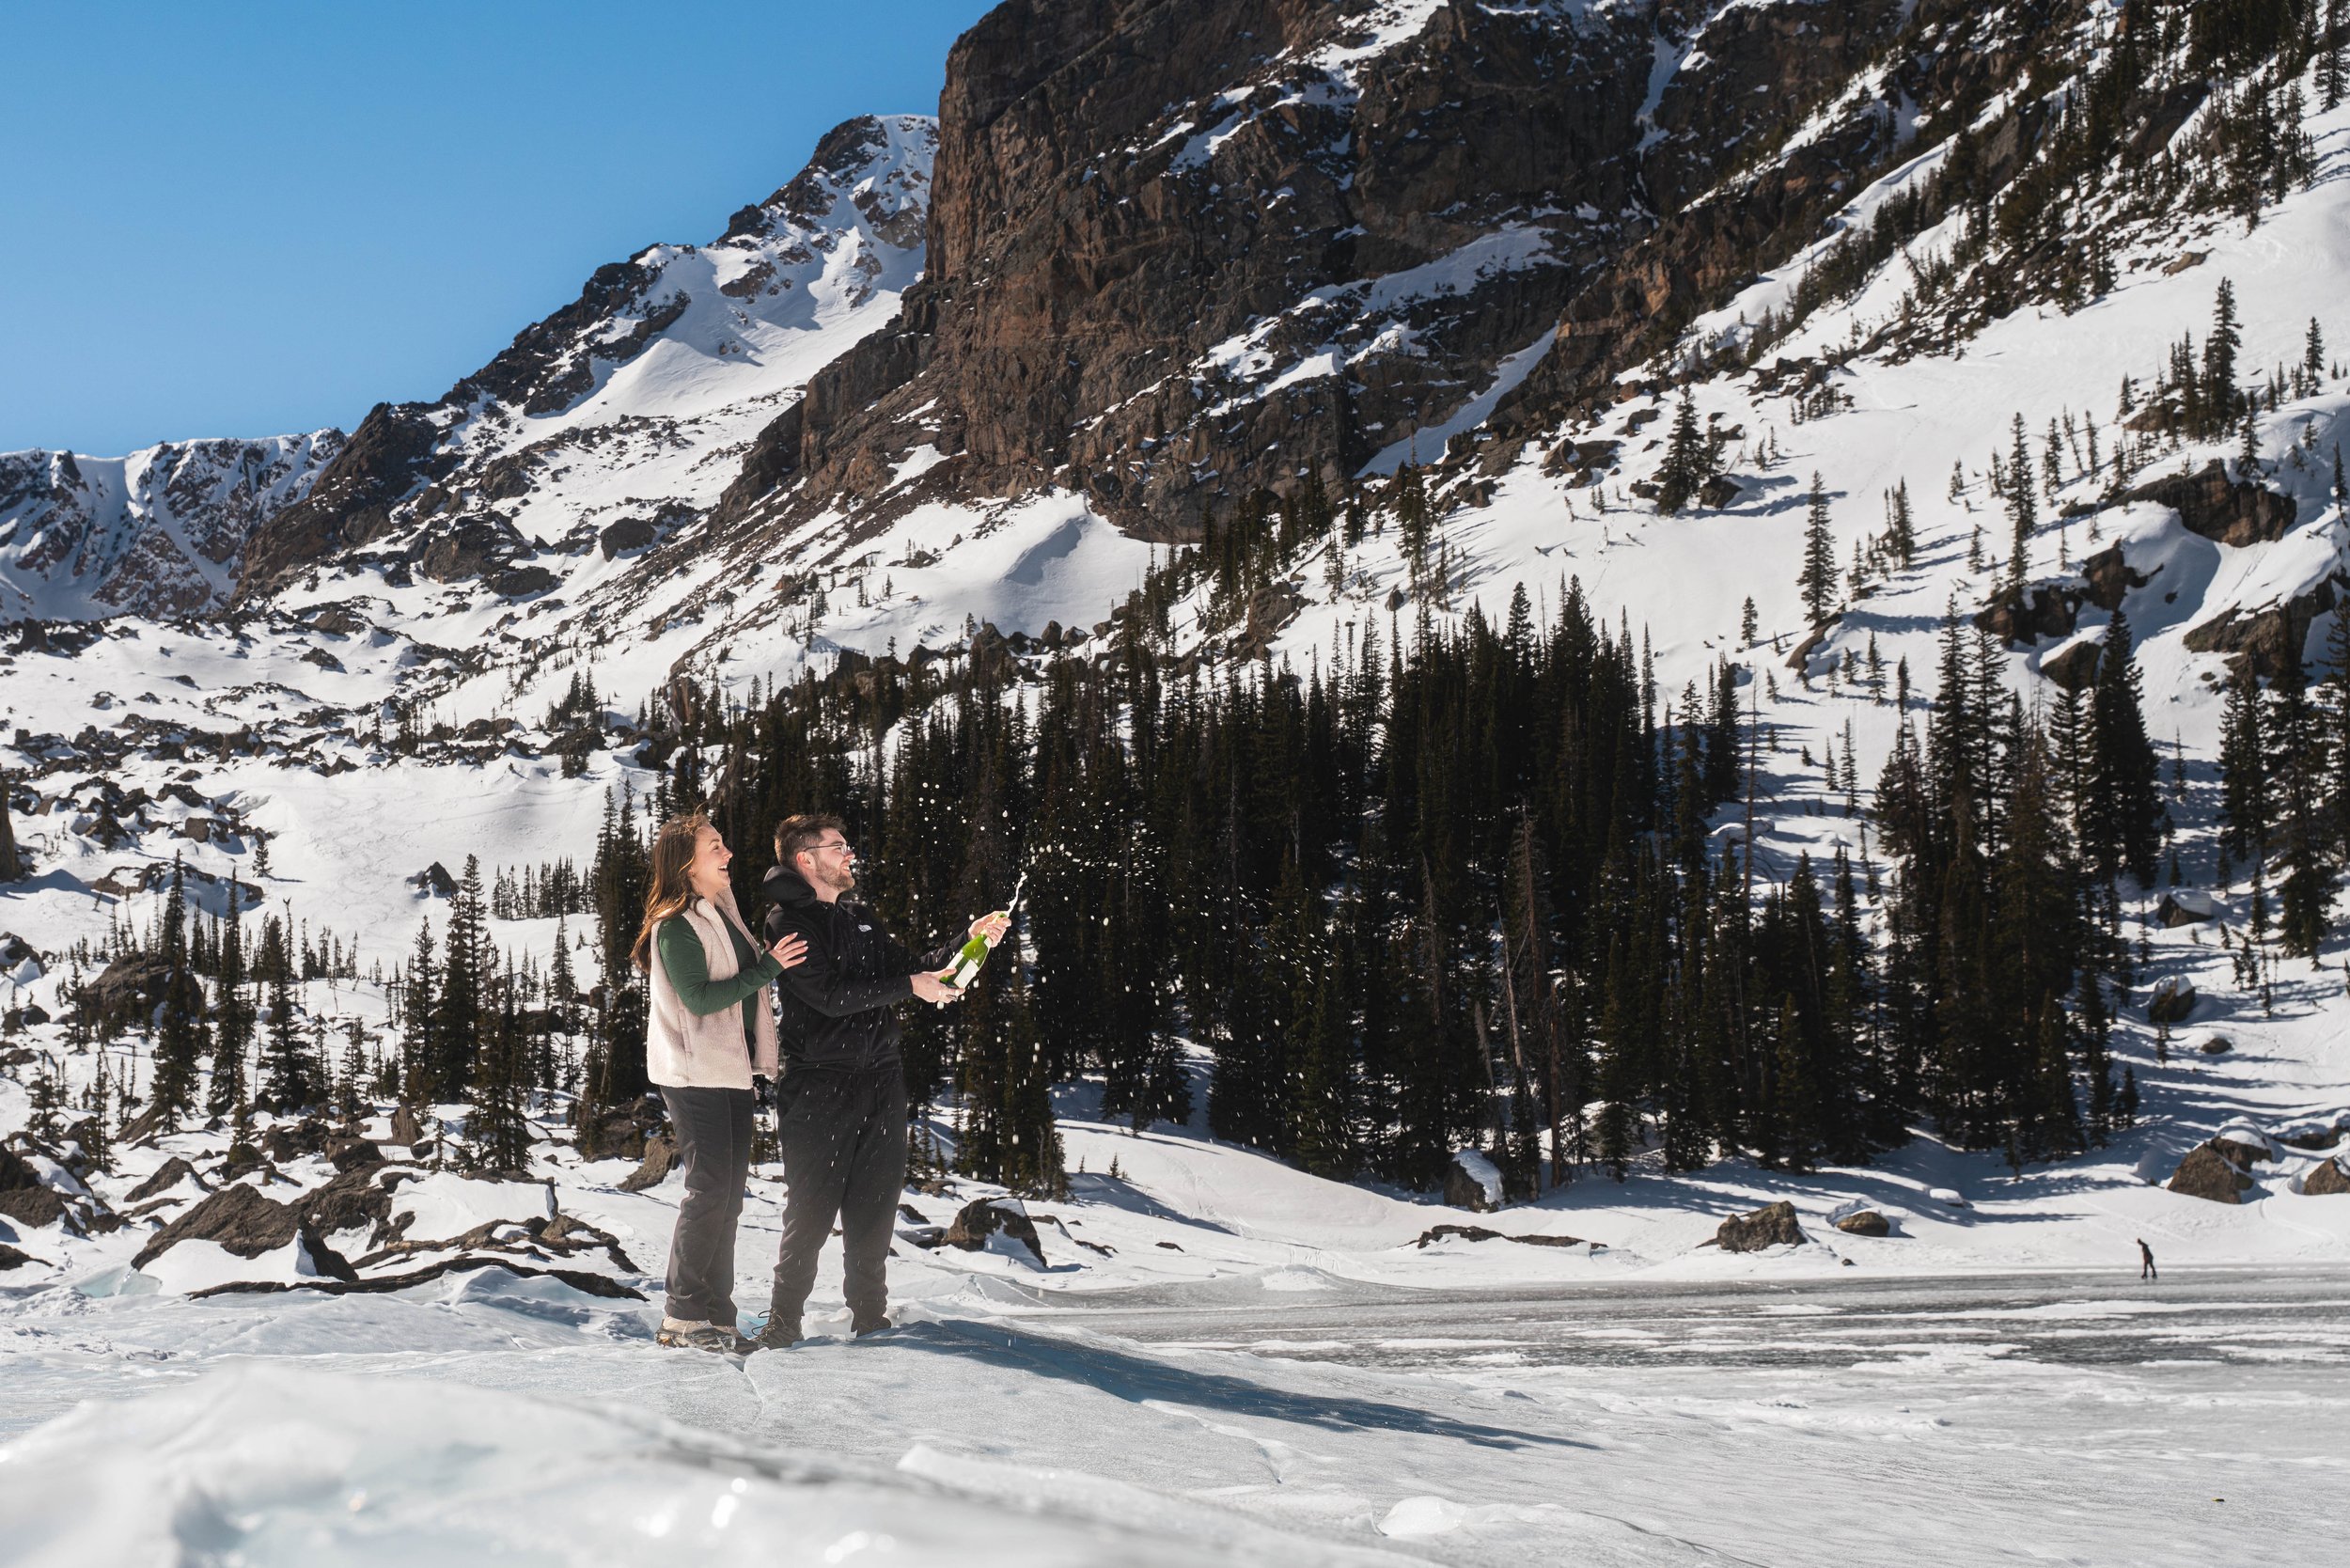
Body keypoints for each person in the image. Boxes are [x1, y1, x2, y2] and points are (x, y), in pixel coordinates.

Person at [758, 812, 1008, 1346]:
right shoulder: (786, 924)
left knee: (874, 1208)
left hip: (883, 1081)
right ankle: (781, 1325)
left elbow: (919, 968)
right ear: (807, 860)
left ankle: (872, 1321)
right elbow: (825, 996)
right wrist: (910, 984)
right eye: (838, 846)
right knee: (812, 1211)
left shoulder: (860, 917)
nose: (850, 854)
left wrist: (972, 938)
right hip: (819, 1086)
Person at [634, 812, 807, 1354]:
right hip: (693, 1073)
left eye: (723, 844)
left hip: (728, 1070)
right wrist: (769, 969)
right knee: (708, 1191)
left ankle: (717, 1313)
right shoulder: (676, 924)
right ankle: (682, 1316)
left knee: (728, 1196)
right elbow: (701, 999)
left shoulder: (721, 913)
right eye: (715, 847)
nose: (727, 852)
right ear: (686, 863)